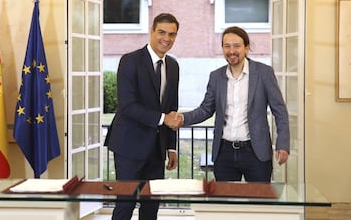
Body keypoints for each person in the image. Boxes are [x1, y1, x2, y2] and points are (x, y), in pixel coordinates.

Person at [173, 26, 290, 182]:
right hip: (224, 153)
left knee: (259, 203)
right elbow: (206, 109)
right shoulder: (216, 76)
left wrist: (283, 143)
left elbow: (280, 111)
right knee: (226, 204)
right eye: (227, 46)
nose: (231, 51)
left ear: (247, 48)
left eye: (237, 46)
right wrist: (182, 118)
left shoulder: (264, 73)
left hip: (256, 152)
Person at [104, 13, 182, 220]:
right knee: (125, 204)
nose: (166, 38)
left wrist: (171, 147)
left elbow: (171, 109)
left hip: (156, 149)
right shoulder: (130, 61)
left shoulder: (173, 66)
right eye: (162, 32)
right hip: (129, 146)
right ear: (152, 31)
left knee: (150, 207)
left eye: (172, 34)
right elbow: (128, 106)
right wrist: (162, 119)